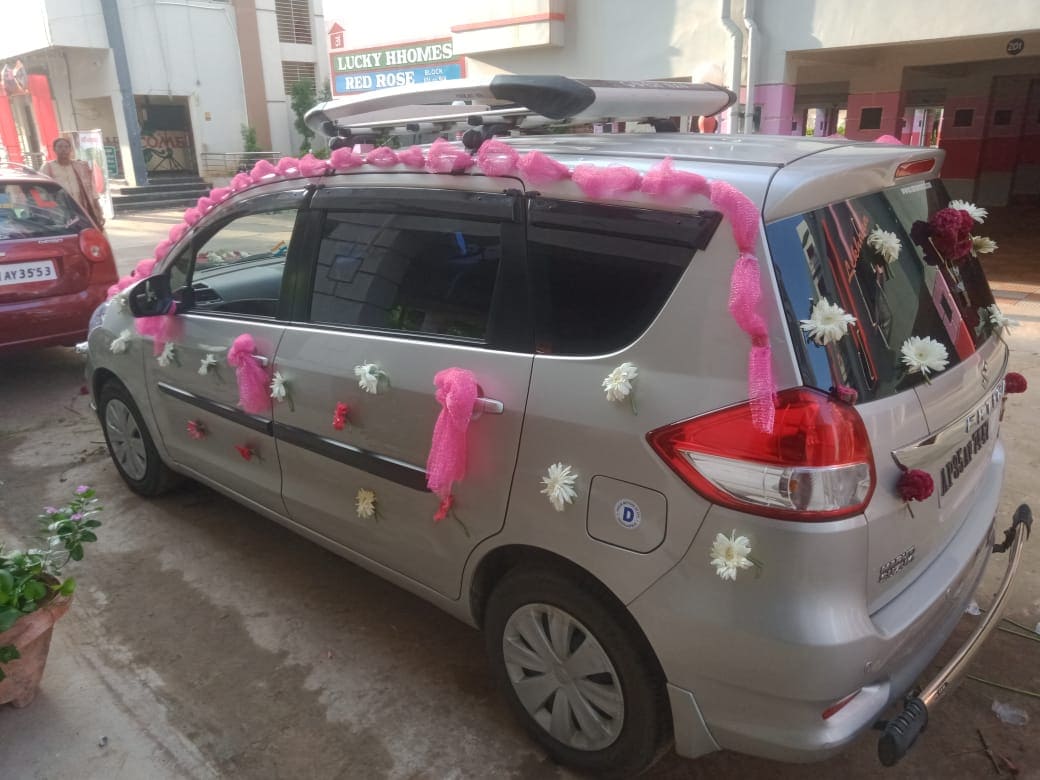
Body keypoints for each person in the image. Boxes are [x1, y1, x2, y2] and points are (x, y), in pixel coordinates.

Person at [40, 137, 105, 228]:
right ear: (54, 149)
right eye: (60, 147)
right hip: (60, 209)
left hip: (81, 207)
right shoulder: (48, 167)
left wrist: (98, 210)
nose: (64, 150)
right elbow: (42, 190)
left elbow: (91, 190)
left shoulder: (80, 166)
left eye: (66, 147)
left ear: (71, 149)